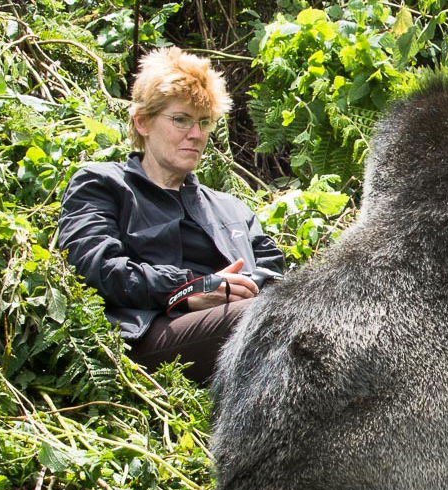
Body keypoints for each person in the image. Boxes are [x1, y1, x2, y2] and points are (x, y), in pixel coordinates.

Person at [57, 47, 284, 383]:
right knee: (268, 318)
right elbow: (93, 268)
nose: (196, 134)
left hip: (239, 318)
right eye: (181, 120)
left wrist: (242, 287)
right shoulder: (103, 184)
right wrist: (187, 289)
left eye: (204, 122)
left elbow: (276, 271)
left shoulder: (230, 207)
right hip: (148, 332)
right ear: (143, 121)